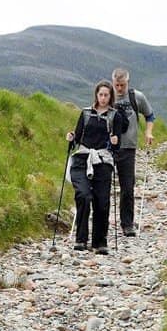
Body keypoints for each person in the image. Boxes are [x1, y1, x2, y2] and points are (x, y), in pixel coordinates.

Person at [66, 80, 128, 254]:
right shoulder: (85, 113)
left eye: (106, 95)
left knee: (102, 202)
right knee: (83, 195)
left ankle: (100, 242)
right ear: (96, 95)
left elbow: (116, 145)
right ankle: (81, 239)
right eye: (100, 94)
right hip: (82, 159)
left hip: (103, 160)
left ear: (110, 97)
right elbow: (77, 137)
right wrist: (71, 138)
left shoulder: (115, 116)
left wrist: (115, 142)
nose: (103, 98)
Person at [111, 68, 155, 237]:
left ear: (127, 82)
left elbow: (150, 116)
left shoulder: (137, 97)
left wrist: (148, 132)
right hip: (108, 148)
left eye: (122, 85)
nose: (119, 89)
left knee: (127, 188)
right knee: (101, 186)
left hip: (128, 147)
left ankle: (127, 224)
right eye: (117, 85)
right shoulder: (107, 95)